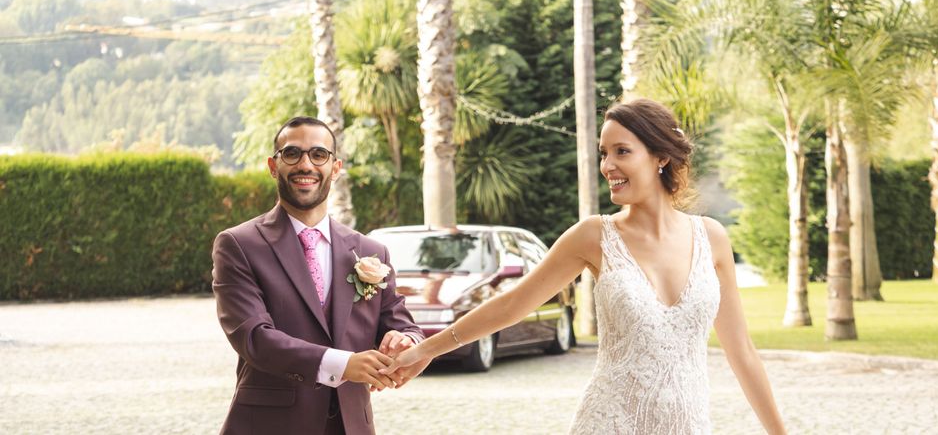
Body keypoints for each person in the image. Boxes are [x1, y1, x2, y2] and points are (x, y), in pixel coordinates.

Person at [383, 99, 787, 434]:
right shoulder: (594, 236)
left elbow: (742, 353)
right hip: (609, 422)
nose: (608, 166)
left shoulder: (712, 238)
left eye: (621, 151)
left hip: (689, 424)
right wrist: (428, 350)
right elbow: (514, 304)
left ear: (661, 156)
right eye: (603, 154)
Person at [212, 116, 423, 435]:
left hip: (351, 426)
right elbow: (253, 337)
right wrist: (343, 364)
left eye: (318, 154)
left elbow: (401, 323)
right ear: (273, 165)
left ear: (335, 168)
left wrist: (405, 340)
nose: (305, 164)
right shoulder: (238, 245)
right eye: (292, 153)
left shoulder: (371, 251)